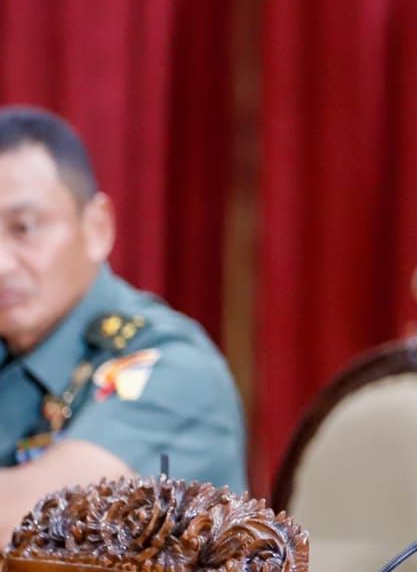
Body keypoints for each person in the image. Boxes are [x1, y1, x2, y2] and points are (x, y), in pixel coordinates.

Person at [0, 106, 246, 533]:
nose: (2, 263)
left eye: (24, 228)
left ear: (97, 228)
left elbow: (36, 522)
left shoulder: (175, 367)